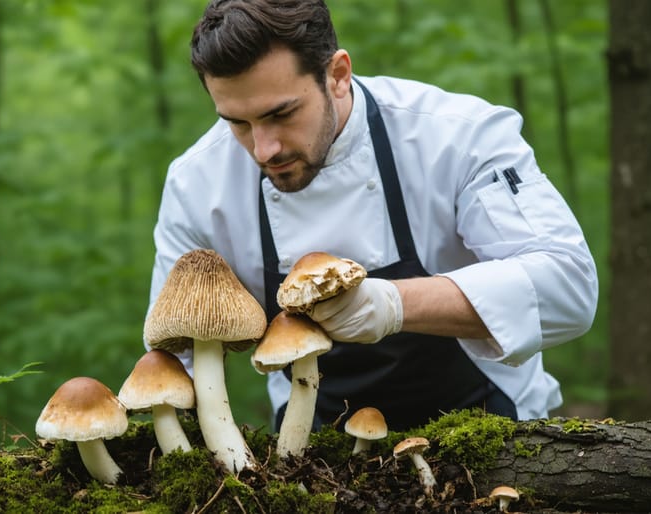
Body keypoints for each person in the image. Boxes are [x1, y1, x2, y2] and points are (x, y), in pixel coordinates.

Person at [146, 0, 598, 431]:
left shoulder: (458, 137)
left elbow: (568, 286)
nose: (264, 149)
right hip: (315, 446)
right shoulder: (196, 186)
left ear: (338, 74)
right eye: (236, 123)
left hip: (488, 425)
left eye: (281, 113)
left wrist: (392, 304)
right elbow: (172, 359)